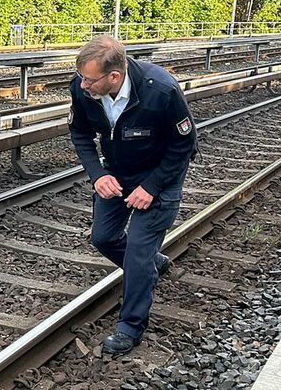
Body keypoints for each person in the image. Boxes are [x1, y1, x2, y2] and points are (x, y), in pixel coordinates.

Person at [68, 35, 197, 355]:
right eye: (81, 77)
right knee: (103, 237)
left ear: (114, 76)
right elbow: (80, 132)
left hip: (160, 175)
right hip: (117, 170)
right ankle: (151, 264)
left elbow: (184, 145)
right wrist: (98, 175)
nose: (83, 85)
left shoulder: (161, 90)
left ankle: (130, 326)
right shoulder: (83, 89)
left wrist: (151, 187)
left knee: (138, 249)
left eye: (89, 79)